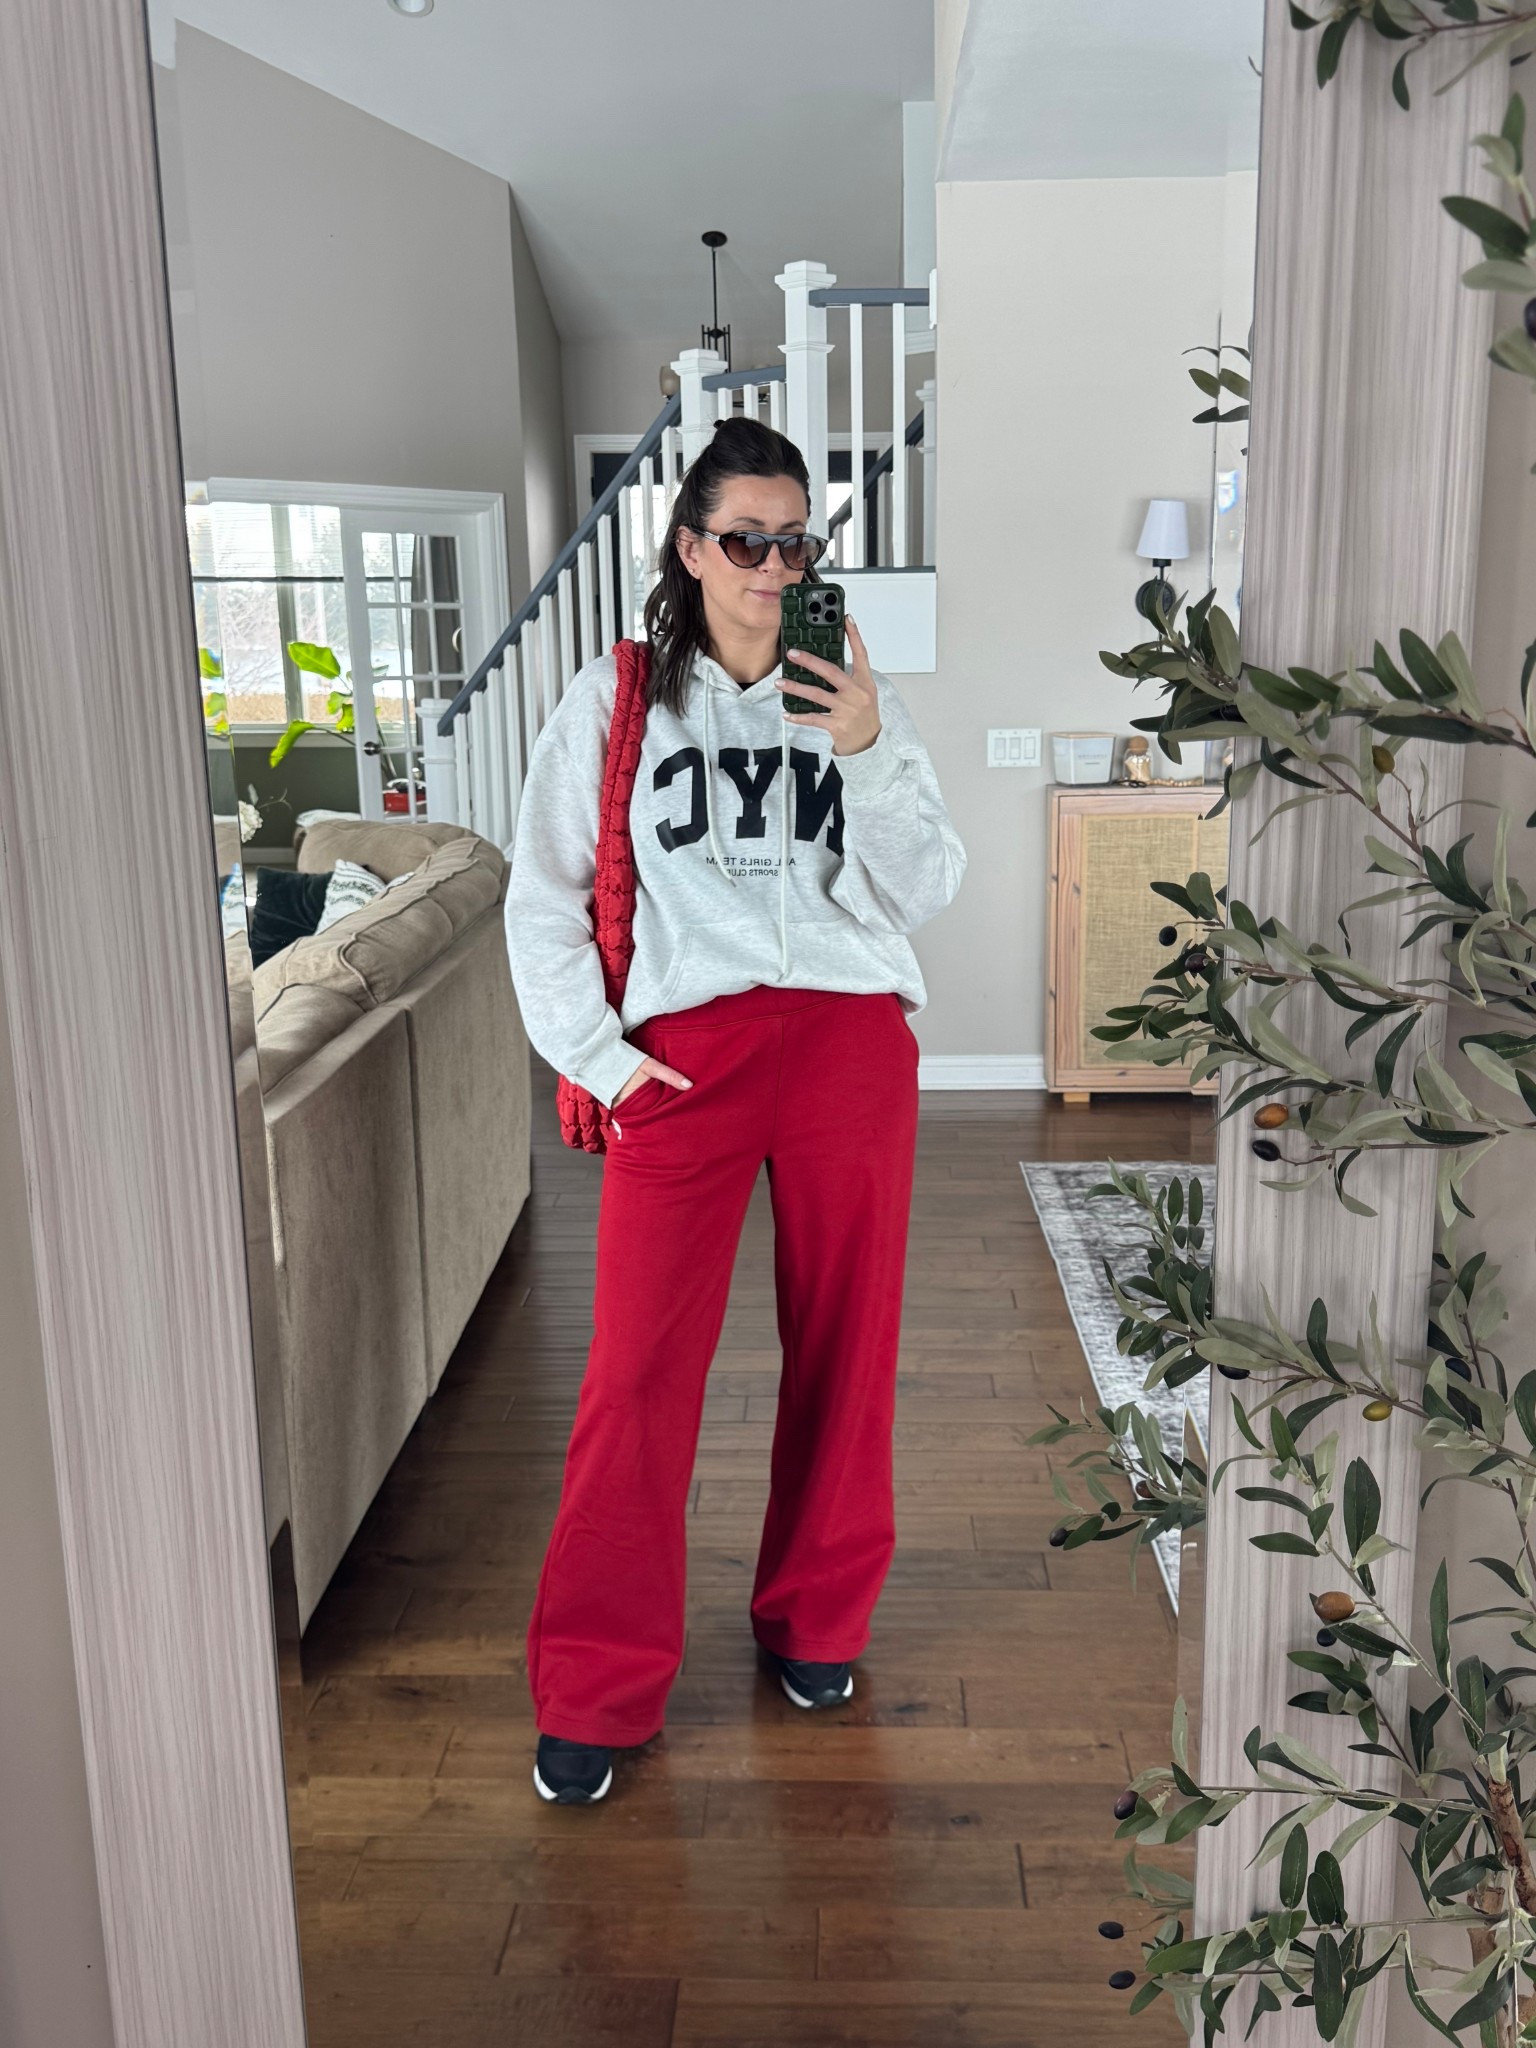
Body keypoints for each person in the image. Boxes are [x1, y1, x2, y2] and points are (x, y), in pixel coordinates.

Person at [504, 415, 965, 1804]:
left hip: (847, 1042)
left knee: (848, 1347)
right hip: (685, 1056)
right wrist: (598, 1058)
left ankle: (817, 1620)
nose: (773, 567)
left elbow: (926, 887)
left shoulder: (851, 690)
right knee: (637, 1370)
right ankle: (596, 1683)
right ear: (691, 549)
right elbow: (541, 893)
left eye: (794, 543)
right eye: (745, 540)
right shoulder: (620, 699)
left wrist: (866, 747)